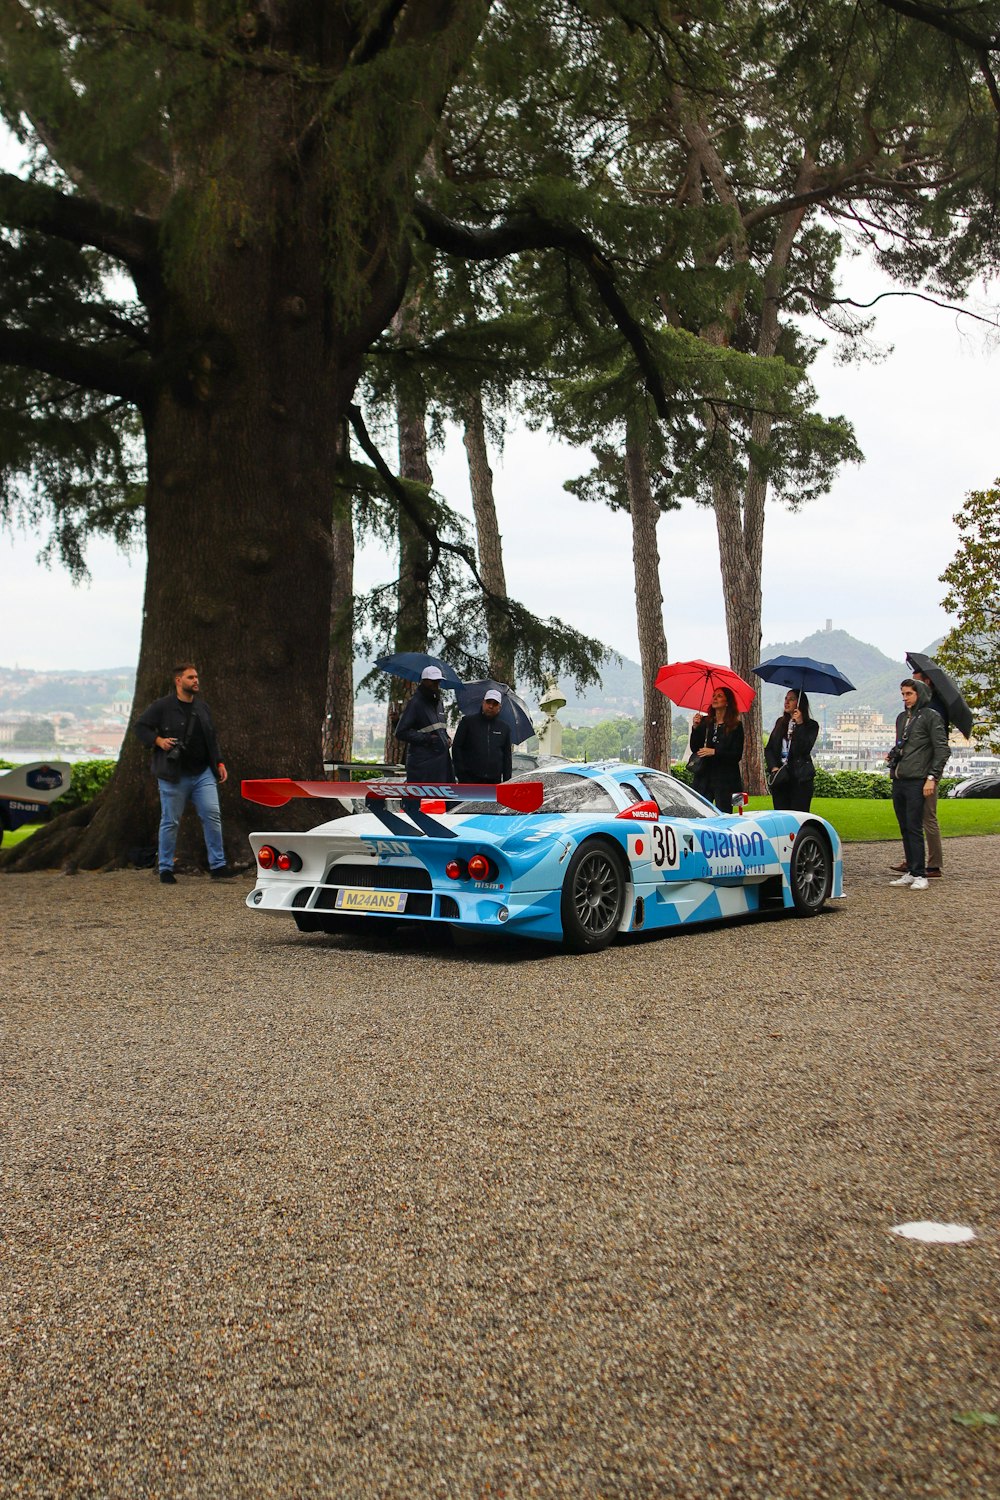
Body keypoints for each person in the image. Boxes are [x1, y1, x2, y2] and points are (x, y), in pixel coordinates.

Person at [134, 663, 234, 884]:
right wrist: (158, 741)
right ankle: (165, 868)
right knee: (170, 821)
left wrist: (219, 762)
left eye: (197, 677)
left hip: (203, 773)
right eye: (190, 677)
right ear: (178, 681)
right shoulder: (162, 707)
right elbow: (140, 727)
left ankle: (218, 866)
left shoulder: (203, 708)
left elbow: (211, 738)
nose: (196, 681)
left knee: (212, 815)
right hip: (173, 774)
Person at [891, 660, 951, 878]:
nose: (905, 697)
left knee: (923, 819)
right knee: (909, 823)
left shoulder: (932, 713)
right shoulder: (906, 717)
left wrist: (932, 776)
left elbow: (940, 747)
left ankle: (928, 866)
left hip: (922, 774)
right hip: (905, 774)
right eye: (904, 693)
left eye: (910, 691)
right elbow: (906, 743)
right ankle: (914, 863)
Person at [689, 687, 745, 813]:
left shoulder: (735, 726)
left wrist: (714, 752)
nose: (715, 698)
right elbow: (695, 748)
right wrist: (695, 728)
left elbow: (736, 755)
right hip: (704, 776)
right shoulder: (705, 722)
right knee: (701, 813)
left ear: (727, 702)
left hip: (725, 779)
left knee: (724, 813)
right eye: (714, 695)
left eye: (719, 696)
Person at [394, 665, 453, 781]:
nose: (436, 684)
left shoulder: (438, 703)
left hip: (441, 764)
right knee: (423, 798)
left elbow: (439, 729)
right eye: (433, 681)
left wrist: (446, 738)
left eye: (438, 681)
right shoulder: (415, 703)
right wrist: (428, 739)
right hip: (423, 765)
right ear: (424, 681)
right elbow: (401, 732)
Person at [764, 689, 819, 812]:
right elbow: (769, 749)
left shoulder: (811, 726)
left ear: (800, 703)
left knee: (798, 815)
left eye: (792, 699)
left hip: (800, 779)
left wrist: (799, 724)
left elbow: (804, 749)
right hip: (781, 777)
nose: (787, 702)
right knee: (781, 815)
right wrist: (773, 768)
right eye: (785, 698)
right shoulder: (780, 723)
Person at [452, 688, 513, 785]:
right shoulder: (467, 722)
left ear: (499, 707)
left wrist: (507, 781)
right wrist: (461, 774)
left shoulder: (504, 728)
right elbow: (456, 748)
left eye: (495, 704)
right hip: (469, 781)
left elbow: (507, 756)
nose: (491, 706)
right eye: (488, 702)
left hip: (494, 782)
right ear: (483, 703)